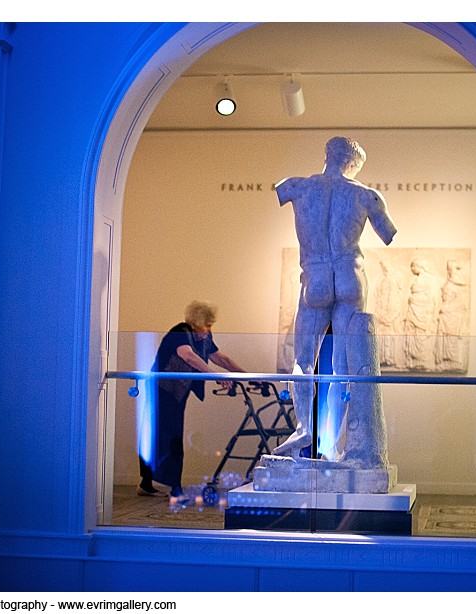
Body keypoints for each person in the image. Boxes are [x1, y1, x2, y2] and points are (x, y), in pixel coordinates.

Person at [273, 137, 397, 458]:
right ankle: (330, 446)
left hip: (315, 279)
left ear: (326, 155)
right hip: (349, 278)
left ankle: (304, 429)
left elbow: (279, 191)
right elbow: (388, 232)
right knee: (341, 365)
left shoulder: (296, 187)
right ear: (354, 164)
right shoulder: (365, 195)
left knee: (303, 362)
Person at [137, 300, 246, 511]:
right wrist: (216, 377)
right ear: (197, 322)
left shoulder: (204, 337)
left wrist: (247, 375)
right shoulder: (181, 331)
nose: (209, 330)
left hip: (177, 394)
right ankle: (174, 488)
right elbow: (188, 356)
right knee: (169, 436)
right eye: (208, 325)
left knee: (165, 434)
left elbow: (220, 358)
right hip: (162, 390)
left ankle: (147, 483)